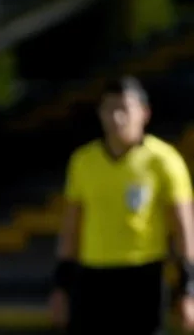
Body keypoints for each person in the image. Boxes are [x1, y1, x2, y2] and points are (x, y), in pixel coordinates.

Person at [49, 77, 194, 334]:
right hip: (93, 275)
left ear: (144, 113)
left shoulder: (164, 161)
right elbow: (71, 228)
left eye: (124, 109)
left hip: (143, 275)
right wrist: (61, 287)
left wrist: (188, 289)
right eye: (109, 109)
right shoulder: (83, 161)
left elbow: (184, 229)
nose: (117, 117)